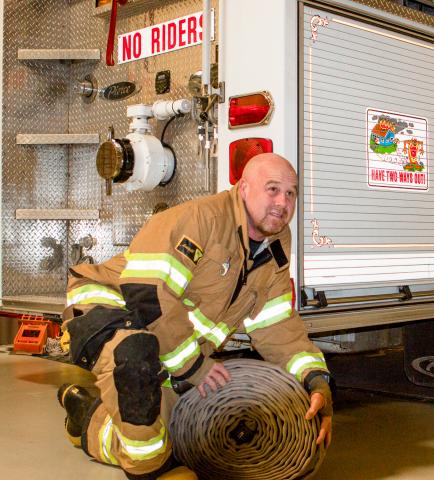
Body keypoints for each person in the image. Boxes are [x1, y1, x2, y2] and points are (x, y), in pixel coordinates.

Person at [59, 153, 333, 480]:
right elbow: (147, 292)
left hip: (163, 332)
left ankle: (87, 417)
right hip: (109, 302)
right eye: (272, 189)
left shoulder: (275, 244)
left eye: (291, 193)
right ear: (243, 188)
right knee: (135, 359)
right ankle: (150, 470)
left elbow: (276, 326)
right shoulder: (201, 219)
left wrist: (316, 379)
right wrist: (193, 367)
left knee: (170, 429)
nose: (282, 202)